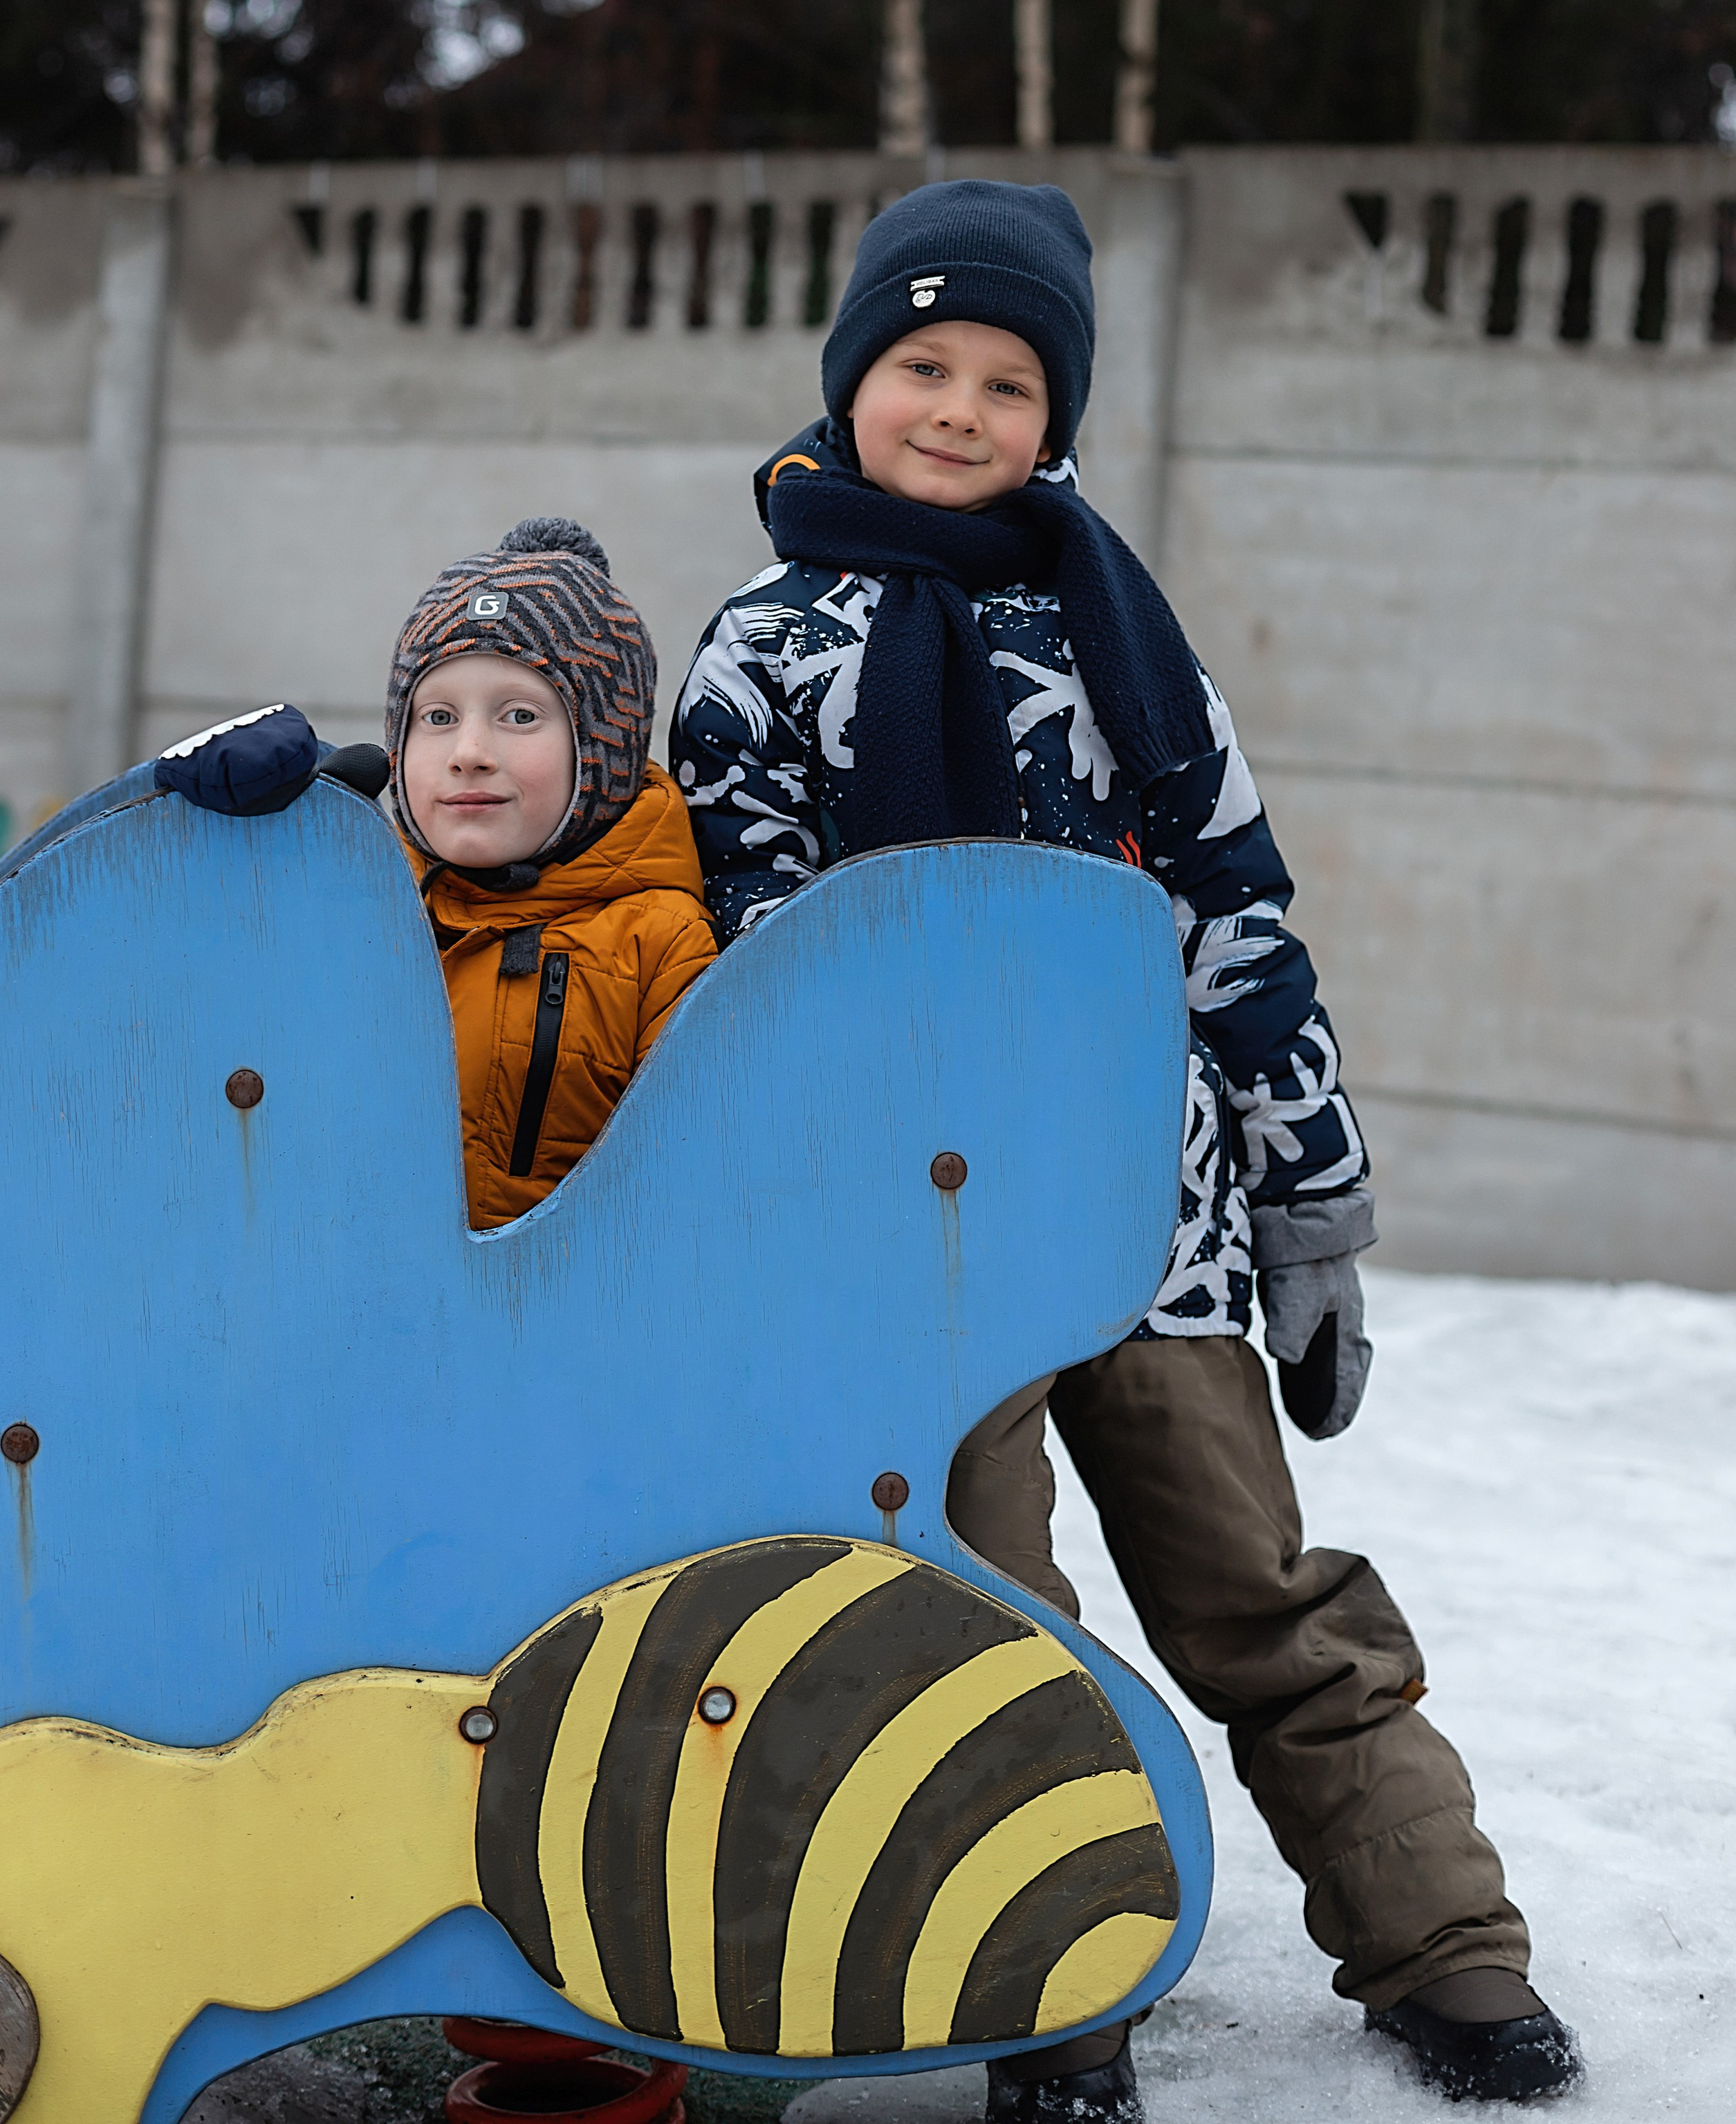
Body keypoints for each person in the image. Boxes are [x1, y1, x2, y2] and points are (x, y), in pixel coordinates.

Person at [668, 183, 1580, 2116]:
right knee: (985, 1623)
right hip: (915, 1243)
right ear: (850, 378)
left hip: (1154, 1223)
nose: (957, 408)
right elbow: (740, 948)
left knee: (1258, 1590)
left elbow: (1236, 916)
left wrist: (1309, 1190)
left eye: (1007, 382)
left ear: (1054, 414)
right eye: (922, 364)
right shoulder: (761, 647)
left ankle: (1445, 1941)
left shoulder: (1121, 634)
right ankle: (1051, 1984)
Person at [158, 517, 716, 1226]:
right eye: (439, 716)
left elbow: (698, 1191)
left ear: (606, 748)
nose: (469, 752)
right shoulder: (357, 898)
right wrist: (246, 852)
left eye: (520, 716)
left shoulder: (662, 945)